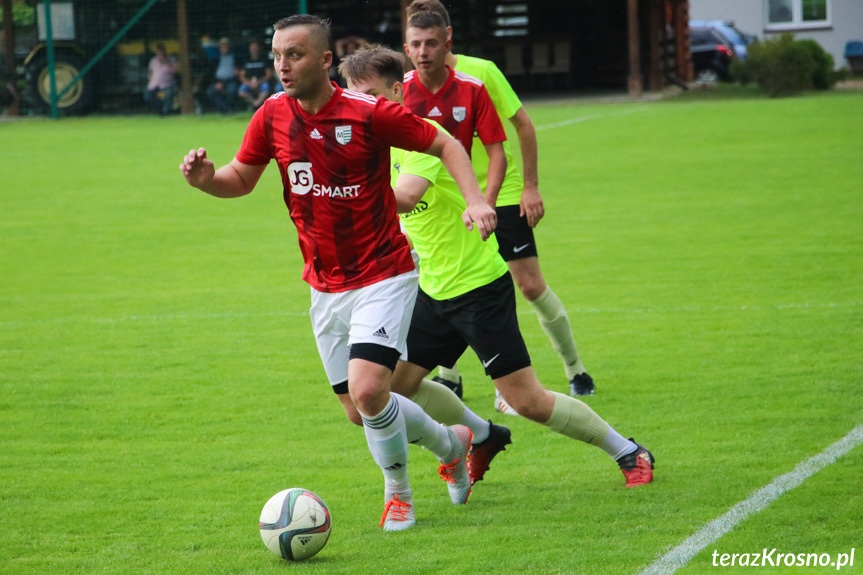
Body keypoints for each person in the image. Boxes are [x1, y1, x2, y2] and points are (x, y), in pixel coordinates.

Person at [179, 15, 498, 532]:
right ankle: (452, 442)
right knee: (359, 409)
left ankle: (399, 495)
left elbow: (446, 145)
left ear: (326, 60)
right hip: (324, 283)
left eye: (296, 54)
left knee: (372, 391)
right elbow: (239, 179)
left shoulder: (369, 113)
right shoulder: (272, 116)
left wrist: (477, 200)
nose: (283, 65)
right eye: (278, 54)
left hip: (383, 271)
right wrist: (204, 181)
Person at [338, 45, 655, 489]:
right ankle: (483, 435)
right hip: (431, 292)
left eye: (369, 95)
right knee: (386, 390)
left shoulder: (421, 135)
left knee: (526, 401)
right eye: (352, 98)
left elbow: (406, 196)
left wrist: (339, 189)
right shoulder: (373, 147)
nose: (361, 107)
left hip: (477, 289)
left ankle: (627, 450)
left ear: (396, 90)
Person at [406, 0, 595, 402]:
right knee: (444, 277)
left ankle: (575, 369)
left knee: (527, 285)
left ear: (446, 38)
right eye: (416, 43)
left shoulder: (481, 73)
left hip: (500, 193)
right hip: (441, 199)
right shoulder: (404, 87)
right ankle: (449, 377)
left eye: (430, 42)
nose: (423, 50)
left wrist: (528, 187)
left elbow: (521, 126)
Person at [205, 37, 239, 114]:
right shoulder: (215, 59)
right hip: (218, 81)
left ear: (229, 47)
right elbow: (211, 73)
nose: (224, 48)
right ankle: (225, 109)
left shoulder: (234, 57)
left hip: (231, 80)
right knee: (210, 91)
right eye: (222, 46)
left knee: (232, 90)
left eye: (226, 46)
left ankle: (228, 109)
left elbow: (238, 71)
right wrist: (217, 83)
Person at [237, 40, 274, 110]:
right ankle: (254, 103)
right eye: (252, 47)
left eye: (256, 47)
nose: (254, 49)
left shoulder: (264, 59)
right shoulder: (246, 60)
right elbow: (241, 75)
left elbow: (269, 74)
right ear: (249, 49)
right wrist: (249, 83)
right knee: (241, 91)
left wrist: (259, 82)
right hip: (249, 82)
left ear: (259, 48)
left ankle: (257, 105)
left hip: (262, 82)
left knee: (266, 88)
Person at [143, 44, 177, 115]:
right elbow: (150, 73)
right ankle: (160, 109)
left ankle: (166, 112)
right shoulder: (153, 61)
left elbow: (173, 71)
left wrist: (165, 61)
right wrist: (149, 82)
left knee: (169, 94)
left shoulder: (171, 59)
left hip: (167, 84)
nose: (159, 55)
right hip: (154, 84)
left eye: (161, 53)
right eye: (158, 53)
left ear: (164, 52)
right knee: (147, 96)